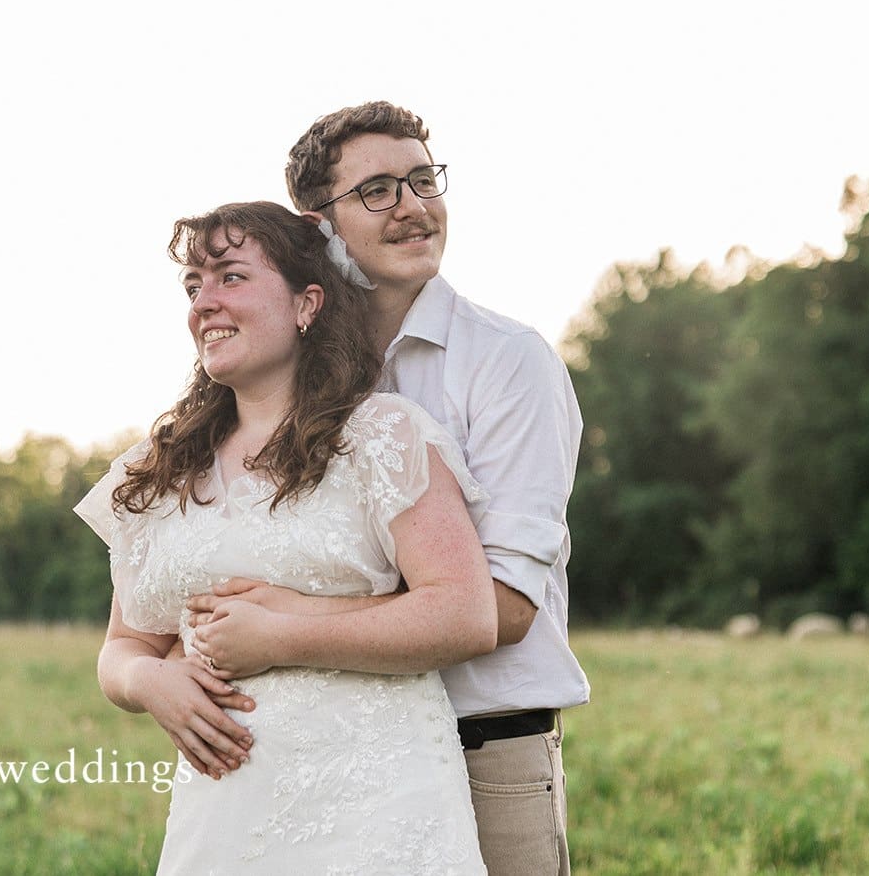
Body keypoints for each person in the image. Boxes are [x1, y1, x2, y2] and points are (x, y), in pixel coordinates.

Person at [186, 103, 590, 876]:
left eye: (422, 179)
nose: (413, 206)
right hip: (324, 760)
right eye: (377, 190)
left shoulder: (509, 363)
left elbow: (503, 606)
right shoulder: (283, 378)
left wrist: (288, 620)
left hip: (483, 747)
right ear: (317, 229)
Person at [76, 201, 497, 874]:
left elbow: (465, 613)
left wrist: (281, 635)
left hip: (377, 814)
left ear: (307, 305)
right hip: (222, 821)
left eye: (231, 277)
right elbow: (122, 647)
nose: (203, 303)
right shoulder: (159, 469)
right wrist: (150, 680)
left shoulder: (381, 437)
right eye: (193, 286)